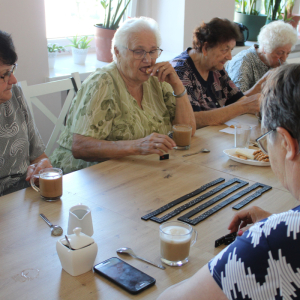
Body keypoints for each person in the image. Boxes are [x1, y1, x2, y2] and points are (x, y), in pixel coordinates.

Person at [157, 63, 300, 300]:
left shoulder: (272, 242)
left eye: (267, 138)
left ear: (286, 143)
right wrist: (276, 223)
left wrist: (260, 240)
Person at [50, 17, 196, 175]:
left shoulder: (156, 79)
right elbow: (81, 147)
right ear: (118, 51)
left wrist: (178, 85)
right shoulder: (102, 83)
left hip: (138, 170)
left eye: (153, 51)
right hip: (87, 176)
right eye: (138, 51)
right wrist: (137, 146)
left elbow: (188, 130)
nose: (148, 60)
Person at [170, 18, 260, 129]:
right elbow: (192, 119)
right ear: (206, 48)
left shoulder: (216, 67)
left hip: (215, 137)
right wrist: (243, 107)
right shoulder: (181, 70)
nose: (229, 57)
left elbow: (238, 99)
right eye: (224, 50)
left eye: (231, 50)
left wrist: (255, 105)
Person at [0, 31, 52, 196]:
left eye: (12, 70)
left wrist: (41, 167)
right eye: (4, 74)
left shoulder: (15, 95)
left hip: (26, 194)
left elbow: (39, 156)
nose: (13, 80)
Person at [226, 20, 297, 96]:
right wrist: (260, 86)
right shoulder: (242, 62)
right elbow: (236, 101)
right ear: (265, 48)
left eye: (288, 53)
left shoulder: (281, 63)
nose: (284, 58)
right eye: (280, 53)